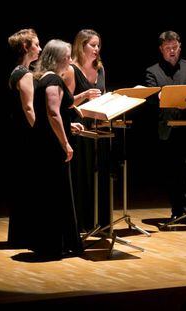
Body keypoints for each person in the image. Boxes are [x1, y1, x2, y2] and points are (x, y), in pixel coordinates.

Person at [31, 39, 83, 257]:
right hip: (51, 145)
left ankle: (51, 243)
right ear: (60, 58)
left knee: (50, 193)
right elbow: (53, 113)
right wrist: (66, 143)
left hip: (44, 142)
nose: (70, 60)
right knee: (57, 194)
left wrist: (69, 125)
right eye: (68, 56)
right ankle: (55, 245)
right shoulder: (52, 79)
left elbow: (49, 114)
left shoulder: (44, 78)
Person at [145, 30, 186, 219]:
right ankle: (176, 211)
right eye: (168, 48)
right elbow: (150, 96)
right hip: (166, 128)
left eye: (175, 47)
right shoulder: (152, 71)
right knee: (171, 172)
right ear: (161, 49)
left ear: (180, 47)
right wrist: (159, 95)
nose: (172, 51)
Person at [63, 29, 110, 233]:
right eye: (92, 45)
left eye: (98, 45)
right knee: (82, 175)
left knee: (98, 174)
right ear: (81, 46)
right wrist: (85, 94)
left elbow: (103, 95)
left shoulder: (100, 69)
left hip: (98, 128)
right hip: (79, 129)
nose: (96, 49)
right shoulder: (72, 69)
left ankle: (99, 222)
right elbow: (66, 102)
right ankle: (81, 223)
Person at [7, 29, 41, 248]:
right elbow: (29, 108)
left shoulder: (17, 71)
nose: (40, 48)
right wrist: (41, 132)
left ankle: (21, 234)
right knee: (29, 185)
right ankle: (27, 235)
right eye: (36, 44)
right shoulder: (25, 74)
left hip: (18, 135)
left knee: (23, 185)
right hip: (28, 136)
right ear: (26, 48)